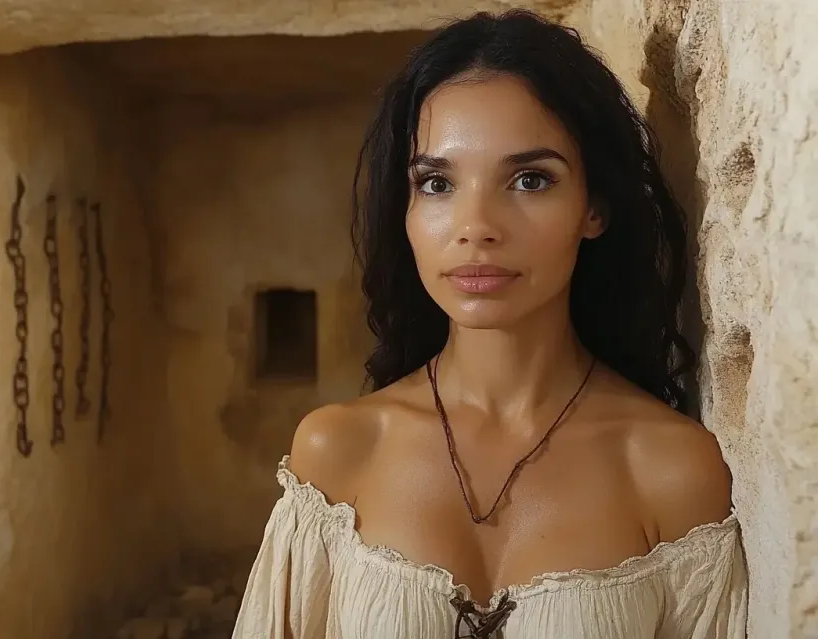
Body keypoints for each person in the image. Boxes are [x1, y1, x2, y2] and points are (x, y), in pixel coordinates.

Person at [231, 9, 748, 639]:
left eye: (530, 179)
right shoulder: (337, 456)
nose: (476, 226)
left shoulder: (673, 470)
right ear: (406, 209)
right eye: (438, 182)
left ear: (596, 207)